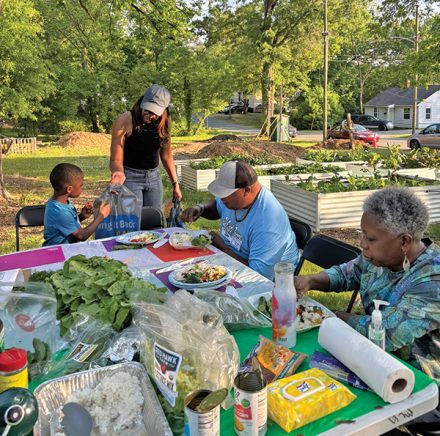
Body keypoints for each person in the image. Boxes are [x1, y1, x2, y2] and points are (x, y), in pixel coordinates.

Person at [295, 187, 440, 395]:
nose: (362, 244)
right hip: (371, 359)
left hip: (417, 383)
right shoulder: (378, 258)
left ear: (404, 241)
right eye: (362, 235)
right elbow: (348, 274)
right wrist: (310, 280)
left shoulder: (433, 280)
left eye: (370, 239)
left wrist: (334, 318)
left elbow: (389, 332)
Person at [180, 160, 300, 280]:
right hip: (229, 260)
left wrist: (223, 247)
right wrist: (200, 208)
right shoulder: (234, 200)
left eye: (226, 194)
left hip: (266, 282)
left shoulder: (269, 223)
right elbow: (217, 206)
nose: (222, 198)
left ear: (247, 190)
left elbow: (256, 276)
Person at [109, 84, 182, 208]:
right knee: (134, 222)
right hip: (130, 177)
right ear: (143, 102)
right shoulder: (125, 119)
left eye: (156, 113)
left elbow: (166, 156)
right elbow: (116, 159)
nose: (151, 116)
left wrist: (176, 184)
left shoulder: (165, 122)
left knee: (154, 221)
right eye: (148, 110)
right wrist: (118, 172)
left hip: (154, 177)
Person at [43, 163, 111, 246]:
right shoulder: (59, 211)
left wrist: (81, 216)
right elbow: (82, 236)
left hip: (66, 249)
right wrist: (101, 216)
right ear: (69, 189)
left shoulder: (62, 203)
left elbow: (66, 225)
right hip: (56, 253)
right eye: (81, 185)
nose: (82, 188)